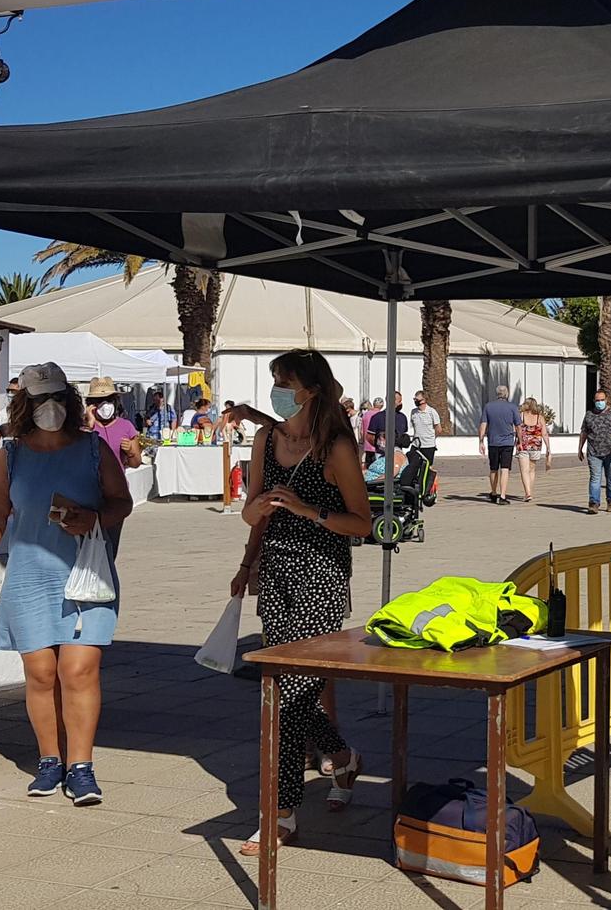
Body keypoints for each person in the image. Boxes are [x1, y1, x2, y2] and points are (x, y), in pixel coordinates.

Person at [0, 362, 133, 805]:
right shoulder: (13, 455)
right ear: (25, 404)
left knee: (78, 670)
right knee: (40, 674)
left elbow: (122, 502)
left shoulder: (95, 449)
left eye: (57, 398)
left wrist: (93, 517)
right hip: (29, 578)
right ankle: (49, 761)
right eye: (41, 400)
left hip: (85, 576)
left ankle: (81, 767)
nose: (50, 407)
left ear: (70, 400)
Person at [228, 349, 373, 853]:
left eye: (283, 381)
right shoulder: (267, 440)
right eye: (274, 380)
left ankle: (281, 814)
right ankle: (343, 755)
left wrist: (310, 510)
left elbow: (363, 522)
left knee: (289, 698)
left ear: (309, 390)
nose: (276, 389)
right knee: (285, 688)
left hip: (321, 577)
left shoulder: (334, 447)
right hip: (277, 576)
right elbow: (252, 514)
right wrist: (248, 557)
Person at [578, 389, 611, 514]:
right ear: (594, 401)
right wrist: (580, 448)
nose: (599, 402)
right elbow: (584, 432)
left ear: (606, 400)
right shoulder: (589, 415)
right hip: (594, 452)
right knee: (595, 478)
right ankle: (593, 503)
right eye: (597, 400)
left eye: (602, 400)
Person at [84, 378, 143, 468]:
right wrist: (89, 425)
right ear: (91, 404)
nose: (105, 405)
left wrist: (130, 452)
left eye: (109, 400)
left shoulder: (126, 426)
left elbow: (136, 464)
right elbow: (77, 457)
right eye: (100, 400)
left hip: (118, 481)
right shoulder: (84, 427)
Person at [479, 385, 518, 505]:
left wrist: (481, 441)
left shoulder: (488, 407)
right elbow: (518, 426)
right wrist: (519, 440)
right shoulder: (512, 407)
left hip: (493, 442)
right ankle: (502, 496)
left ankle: (493, 492)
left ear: (497, 394)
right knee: (505, 469)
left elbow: (483, 424)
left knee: (493, 468)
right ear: (506, 394)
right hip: (507, 443)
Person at [515, 397, 549, 502]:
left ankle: (528, 493)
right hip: (536, 446)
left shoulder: (521, 416)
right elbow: (544, 433)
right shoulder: (540, 418)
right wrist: (548, 448)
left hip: (523, 446)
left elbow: (516, 429)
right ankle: (530, 492)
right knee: (532, 470)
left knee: (524, 471)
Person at [367, 393, 409, 465]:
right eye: (399, 401)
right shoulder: (377, 417)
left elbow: (403, 434)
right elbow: (370, 437)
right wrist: (380, 445)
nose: (401, 403)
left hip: (398, 454)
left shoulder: (402, 417)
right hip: (381, 455)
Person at [409, 390, 440, 464]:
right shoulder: (413, 412)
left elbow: (438, 429)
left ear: (424, 400)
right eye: (414, 399)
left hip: (428, 445)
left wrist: (431, 438)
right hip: (416, 445)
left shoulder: (432, 412)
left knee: (427, 467)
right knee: (411, 465)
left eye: (417, 400)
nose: (415, 401)